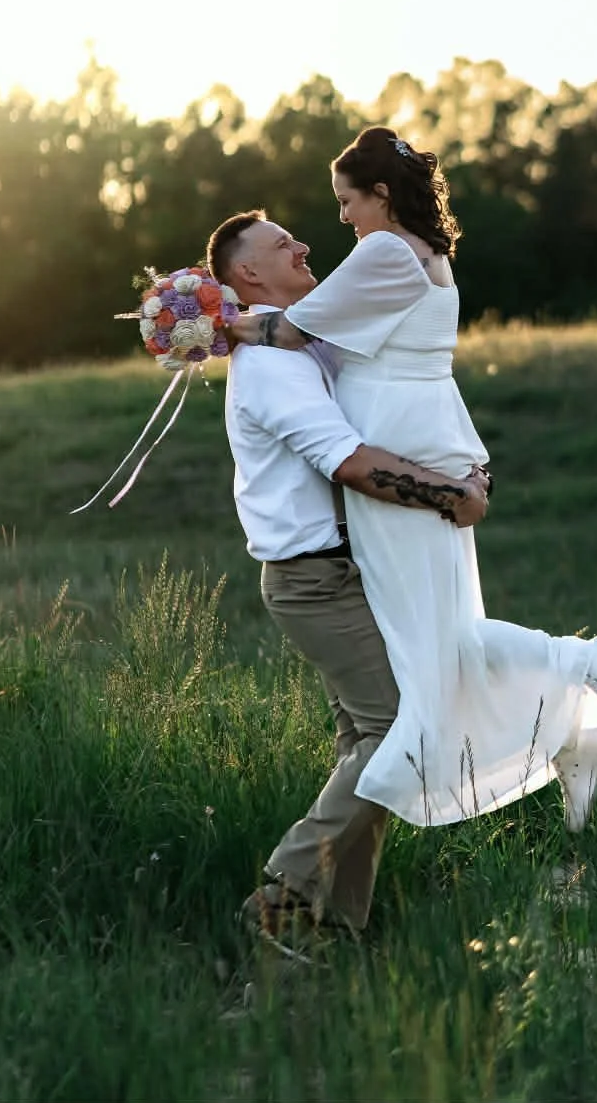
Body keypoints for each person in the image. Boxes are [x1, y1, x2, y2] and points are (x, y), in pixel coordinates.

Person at [216, 126, 597, 834]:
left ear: (381, 195)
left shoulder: (382, 250)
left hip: (393, 437)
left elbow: (294, 331)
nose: (341, 219)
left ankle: (583, 661)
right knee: (445, 637)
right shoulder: (428, 254)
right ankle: (569, 719)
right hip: (422, 427)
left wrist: (219, 324)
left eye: (348, 200)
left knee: (435, 645)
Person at [206, 208, 494, 945]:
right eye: (281, 245)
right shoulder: (271, 366)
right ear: (247, 275)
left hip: (352, 569)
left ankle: (328, 926)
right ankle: (282, 894)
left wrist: (463, 460)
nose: (304, 244)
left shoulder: (302, 346)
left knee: (367, 743)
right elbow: (350, 462)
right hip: (315, 580)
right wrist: (450, 494)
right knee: (402, 727)